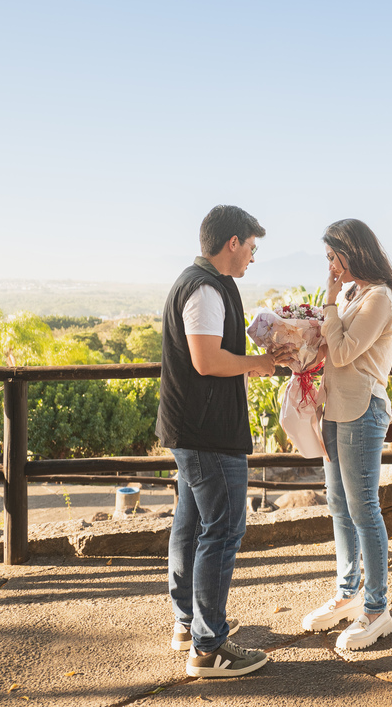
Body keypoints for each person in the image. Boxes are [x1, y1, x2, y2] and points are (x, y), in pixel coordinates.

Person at [158, 205, 292, 678]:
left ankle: (188, 624)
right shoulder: (205, 289)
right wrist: (257, 364)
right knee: (224, 530)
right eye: (251, 248)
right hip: (207, 433)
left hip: (194, 429)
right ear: (232, 242)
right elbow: (207, 361)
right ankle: (209, 648)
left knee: (192, 525)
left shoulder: (203, 283)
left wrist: (256, 354)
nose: (253, 257)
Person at [301, 219, 392, 651]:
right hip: (337, 409)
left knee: (365, 512)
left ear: (352, 251)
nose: (330, 266)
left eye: (332, 257)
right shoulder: (354, 293)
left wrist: (325, 304)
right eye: (327, 259)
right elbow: (332, 350)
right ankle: (348, 594)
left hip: (363, 412)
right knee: (340, 509)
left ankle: (377, 609)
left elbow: (343, 351)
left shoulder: (379, 298)